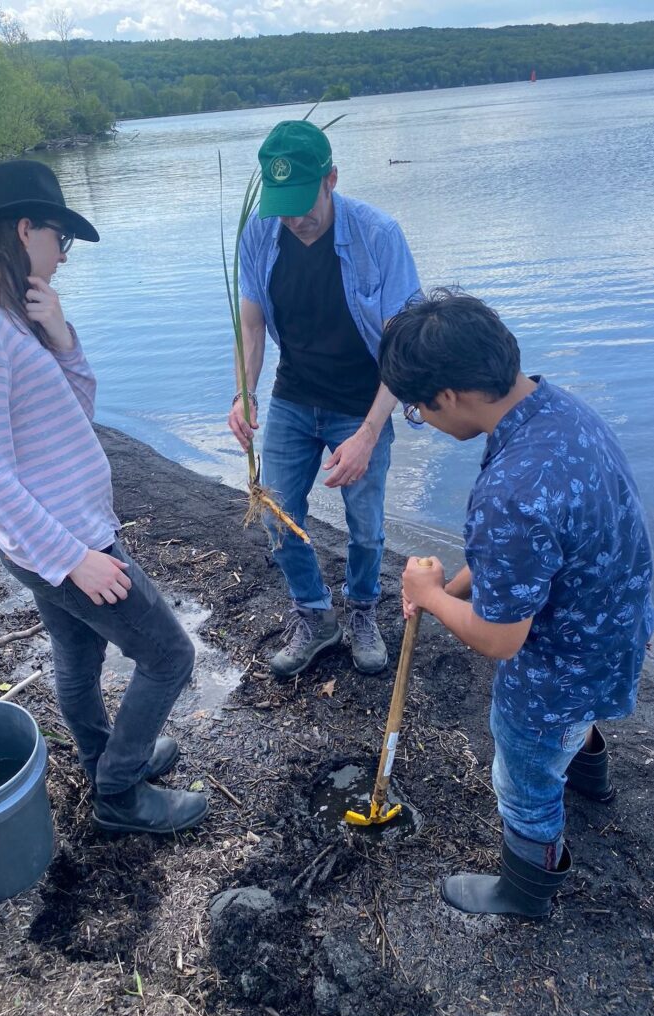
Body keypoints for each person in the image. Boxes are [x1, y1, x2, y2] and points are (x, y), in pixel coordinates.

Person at [0, 159, 208, 836]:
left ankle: (103, 755)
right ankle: (118, 791)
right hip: (63, 542)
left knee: (78, 657)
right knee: (169, 656)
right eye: (62, 239)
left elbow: (73, 411)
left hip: (61, 536)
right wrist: (74, 558)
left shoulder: (6, 317)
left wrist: (62, 337)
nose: (64, 255)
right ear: (26, 231)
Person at [378, 289, 654, 918]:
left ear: (447, 396)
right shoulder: (557, 409)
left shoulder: (510, 489)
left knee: (524, 765)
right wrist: (452, 590)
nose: (424, 419)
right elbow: (529, 551)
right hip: (617, 622)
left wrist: (426, 595)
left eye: (418, 410)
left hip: (564, 659)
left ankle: (525, 890)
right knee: (568, 729)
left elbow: (502, 640)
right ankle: (590, 783)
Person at [229, 119, 422, 678]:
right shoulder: (260, 234)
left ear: (331, 179)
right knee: (277, 513)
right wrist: (244, 393)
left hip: (362, 401)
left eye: (303, 202)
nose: (293, 218)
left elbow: (403, 349)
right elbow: (252, 325)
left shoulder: (378, 236)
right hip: (294, 395)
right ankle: (315, 616)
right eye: (281, 204)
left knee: (365, 524)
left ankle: (362, 609)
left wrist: (366, 434)